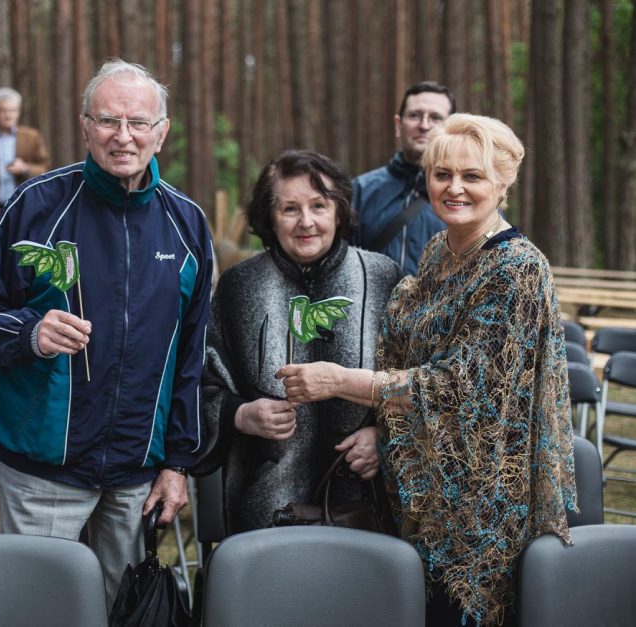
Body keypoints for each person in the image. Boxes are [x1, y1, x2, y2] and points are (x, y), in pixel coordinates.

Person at [276, 114, 577, 626]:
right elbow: (405, 347)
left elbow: (460, 384)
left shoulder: (517, 269)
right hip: (415, 492)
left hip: (477, 510)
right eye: (442, 175)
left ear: (503, 184)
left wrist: (340, 382)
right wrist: (378, 425)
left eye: (472, 176)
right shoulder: (441, 250)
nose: (454, 188)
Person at [0, 59, 213, 606]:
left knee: (123, 610)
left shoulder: (187, 224)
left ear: (161, 132)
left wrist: (178, 463)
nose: (124, 136)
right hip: (42, 469)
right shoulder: (35, 204)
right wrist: (30, 332)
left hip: (137, 477)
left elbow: (191, 357)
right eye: (108, 121)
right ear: (84, 125)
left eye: (139, 123)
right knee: (38, 611)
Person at [195, 150, 401, 533]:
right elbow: (202, 385)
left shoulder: (382, 278)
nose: (306, 222)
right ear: (270, 217)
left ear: (338, 212)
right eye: (290, 209)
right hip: (266, 510)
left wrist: (382, 436)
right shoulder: (240, 287)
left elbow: (413, 383)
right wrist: (242, 415)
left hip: (365, 510)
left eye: (318, 206)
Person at [352, 81, 455, 276]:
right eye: (415, 115)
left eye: (435, 118)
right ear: (399, 125)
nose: (424, 125)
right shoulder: (361, 190)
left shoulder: (471, 195)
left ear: (452, 129)